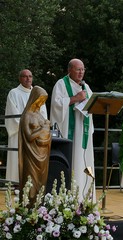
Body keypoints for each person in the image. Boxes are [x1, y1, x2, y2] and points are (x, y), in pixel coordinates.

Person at [50, 58, 95, 202]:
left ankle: (84, 196)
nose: (81, 72)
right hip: (68, 131)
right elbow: (56, 105)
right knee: (71, 161)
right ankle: (67, 198)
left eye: (83, 69)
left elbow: (92, 106)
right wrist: (75, 98)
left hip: (83, 132)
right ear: (69, 70)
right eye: (78, 69)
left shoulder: (86, 87)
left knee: (84, 163)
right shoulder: (61, 84)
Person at [5, 69, 47, 184]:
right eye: (25, 76)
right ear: (20, 78)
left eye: (30, 76)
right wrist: (26, 128)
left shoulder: (38, 93)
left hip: (35, 134)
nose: (28, 79)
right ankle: (16, 184)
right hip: (19, 132)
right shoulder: (14, 93)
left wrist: (38, 129)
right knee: (17, 160)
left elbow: (43, 114)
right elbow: (12, 114)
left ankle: (33, 183)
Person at [19, 86, 51, 206]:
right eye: (40, 100)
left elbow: (46, 131)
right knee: (30, 181)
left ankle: (39, 207)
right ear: (34, 98)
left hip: (42, 153)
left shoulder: (40, 115)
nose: (41, 103)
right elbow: (28, 136)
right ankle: (28, 207)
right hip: (31, 155)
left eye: (43, 101)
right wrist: (42, 129)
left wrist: (47, 130)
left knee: (41, 181)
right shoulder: (27, 115)